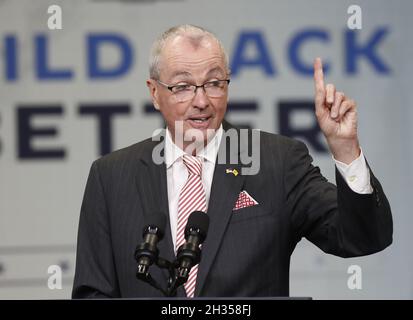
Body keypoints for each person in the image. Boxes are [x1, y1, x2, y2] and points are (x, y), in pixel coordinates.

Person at [72, 24, 392, 298]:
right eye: (182, 86)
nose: (201, 101)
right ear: (154, 92)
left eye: (214, 83)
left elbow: (361, 238)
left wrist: (345, 147)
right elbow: (93, 291)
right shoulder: (111, 177)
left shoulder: (277, 162)